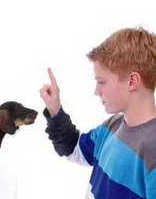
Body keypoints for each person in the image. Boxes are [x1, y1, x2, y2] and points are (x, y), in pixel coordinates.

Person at [39, 27, 156, 199]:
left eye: (101, 82)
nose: (96, 91)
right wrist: (55, 110)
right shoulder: (112, 126)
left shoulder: (152, 150)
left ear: (132, 81)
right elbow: (73, 149)